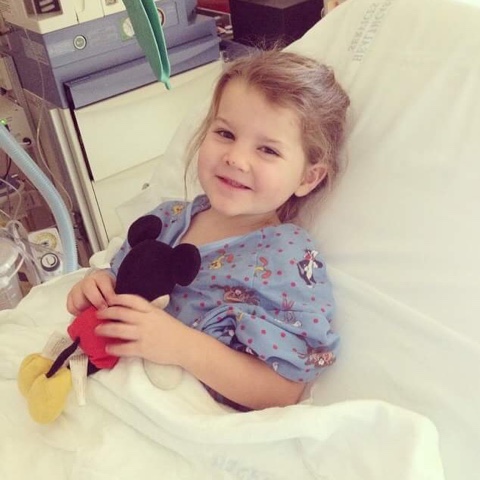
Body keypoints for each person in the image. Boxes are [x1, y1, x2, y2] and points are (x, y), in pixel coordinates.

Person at [66, 49, 350, 411]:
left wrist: (181, 345)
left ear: (308, 178)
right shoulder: (167, 219)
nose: (235, 158)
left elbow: (282, 392)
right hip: (103, 389)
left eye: (267, 150)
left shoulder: (288, 258)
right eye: (225, 133)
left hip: (184, 418)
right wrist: (95, 286)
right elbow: (119, 277)